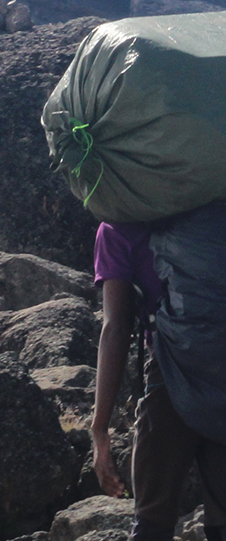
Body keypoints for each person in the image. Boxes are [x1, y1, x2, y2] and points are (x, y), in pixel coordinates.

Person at [92, 219, 225, 541]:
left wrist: (99, 430)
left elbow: (116, 328)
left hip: (169, 377)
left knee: (152, 523)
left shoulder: (116, 229)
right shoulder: (212, 212)